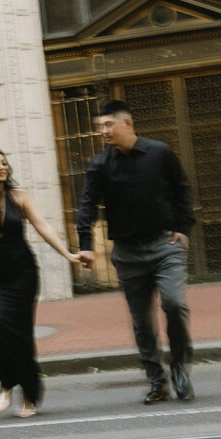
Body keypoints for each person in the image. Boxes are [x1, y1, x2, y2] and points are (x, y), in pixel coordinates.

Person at [77, 100, 196, 405]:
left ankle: (180, 366)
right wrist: (86, 246)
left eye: (108, 125)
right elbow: (87, 205)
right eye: (100, 126)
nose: (103, 131)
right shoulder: (100, 164)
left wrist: (184, 228)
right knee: (142, 322)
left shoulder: (160, 153)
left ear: (127, 124)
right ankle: (157, 382)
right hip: (127, 253)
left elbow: (182, 190)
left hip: (164, 245)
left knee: (174, 304)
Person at [0, 148, 80, 418]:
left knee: (21, 336)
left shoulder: (19, 196)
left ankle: (29, 394)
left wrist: (68, 254)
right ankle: (6, 383)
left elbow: (42, 226)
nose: (3, 167)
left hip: (22, 273)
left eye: (4, 162)